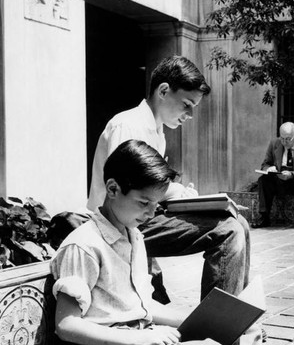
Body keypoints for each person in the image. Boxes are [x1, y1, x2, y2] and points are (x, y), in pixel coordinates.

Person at [51, 139, 294, 345]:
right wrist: (139, 337)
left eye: (155, 206)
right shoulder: (83, 245)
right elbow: (66, 325)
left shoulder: (133, 235)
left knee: (211, 338)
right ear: (112, 189)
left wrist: (207, 321)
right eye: (143, 203)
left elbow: (143, 307)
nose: (149, 213)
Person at [87, 55, 250, 302]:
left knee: (240, 223)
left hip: (141, 218)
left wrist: (181, 195)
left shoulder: (156, 131)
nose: (189, 114)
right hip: (117, 226)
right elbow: (128, 192)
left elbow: (148, 188)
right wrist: (174, 192)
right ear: (163, 90)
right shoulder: (128, 126)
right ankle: (218, 329)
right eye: (186, 104)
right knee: (228, 231)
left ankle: (237, 315)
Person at [253, 122, 294, 230]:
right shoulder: (274, 143)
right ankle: (264, 217)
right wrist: (269, 169)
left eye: (288, 139)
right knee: (263, 180)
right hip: (279, 179)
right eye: (282, 138)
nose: (284, 142)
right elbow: (265, 164)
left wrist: (292, 174)